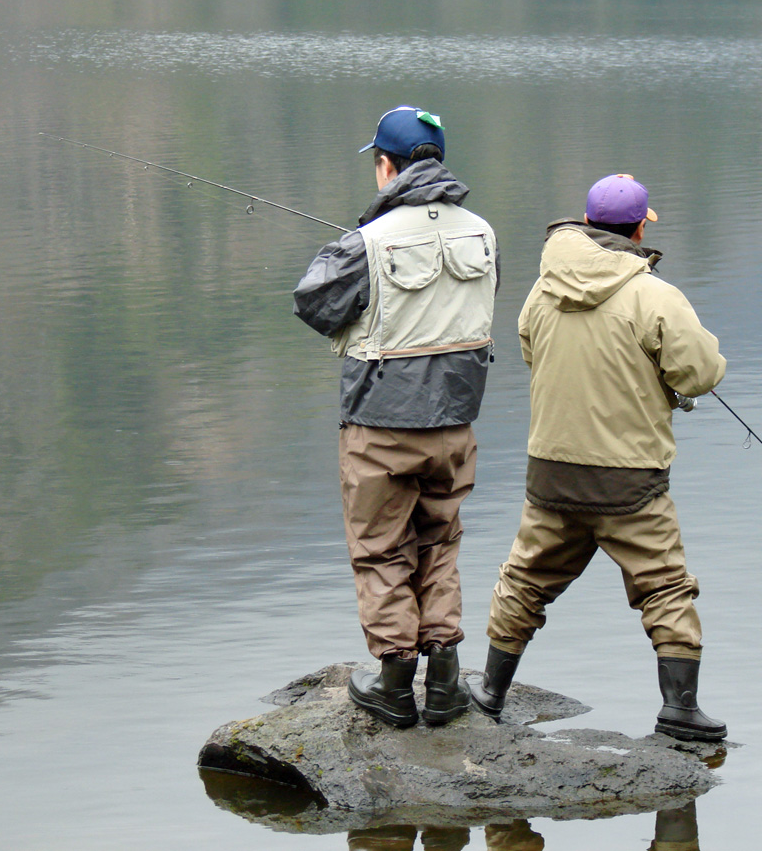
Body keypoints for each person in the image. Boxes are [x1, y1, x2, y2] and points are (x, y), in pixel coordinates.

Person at [469, 174, 728, 742]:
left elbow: (532, 352)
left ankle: (489, 691)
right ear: (638, 229)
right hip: (629, 479)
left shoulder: (542, 291)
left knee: (526, 580)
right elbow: (700, 374)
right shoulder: (654, 294)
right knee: (664, 587)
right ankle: (680, 710)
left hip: (551, 471)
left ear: (586, 225)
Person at [293, 106, 498, 729]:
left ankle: (392, 682)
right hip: (456, 425)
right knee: (439, 542)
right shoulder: (483, 233)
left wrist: (361, 240)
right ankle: (444, 683)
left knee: (382, 551)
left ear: (387, 166)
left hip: (380, 425)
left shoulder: (366, 242)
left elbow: (313, 303)